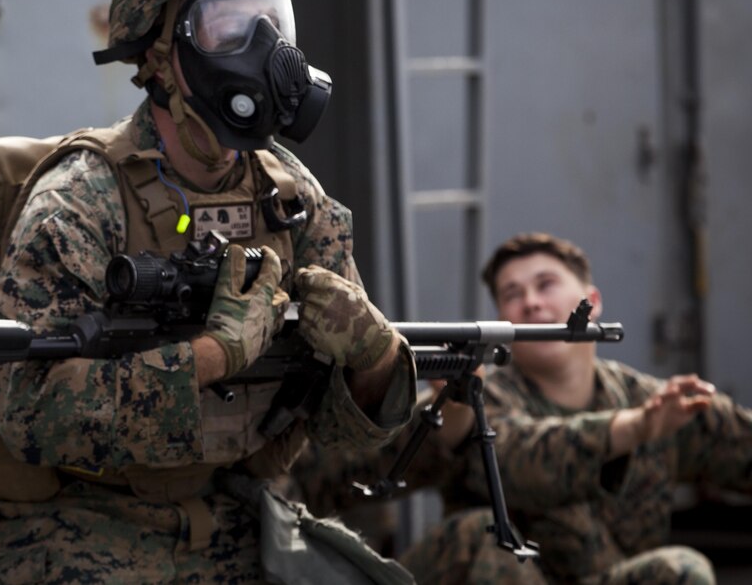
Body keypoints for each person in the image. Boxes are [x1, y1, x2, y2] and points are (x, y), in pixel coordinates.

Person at [0, 0, 419, 585]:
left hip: (233, 510)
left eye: (274, 24)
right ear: (160, 56)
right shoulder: (80, 200)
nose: (265, 53)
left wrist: (375, 356)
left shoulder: (292, 197)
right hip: (76, 522)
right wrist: (211, 355)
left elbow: (337, 433)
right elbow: (29, 412)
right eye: (228, 28)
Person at [292, 231, 752, 584]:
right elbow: (520, 460)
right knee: (483, 536)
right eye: (513, 294)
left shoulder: (655, 403)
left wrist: (648, 421)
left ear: (590, 303)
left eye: (546, 284)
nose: (531, 302)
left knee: (681, 569)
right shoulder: (478, 400)